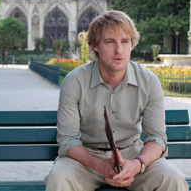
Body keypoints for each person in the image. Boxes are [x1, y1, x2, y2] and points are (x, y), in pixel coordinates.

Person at [44, 10, 188, 191]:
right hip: (84, 159)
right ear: (95, 45)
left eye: (125, 41)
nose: (119, 49)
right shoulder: (74, 81)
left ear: (132, 44)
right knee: (59, 179)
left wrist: (137, 164)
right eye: (110, 41)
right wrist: (99, 165)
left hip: (132, 155)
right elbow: (68, 140)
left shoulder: (149, 81)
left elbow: (157, 138)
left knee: (172, 178)